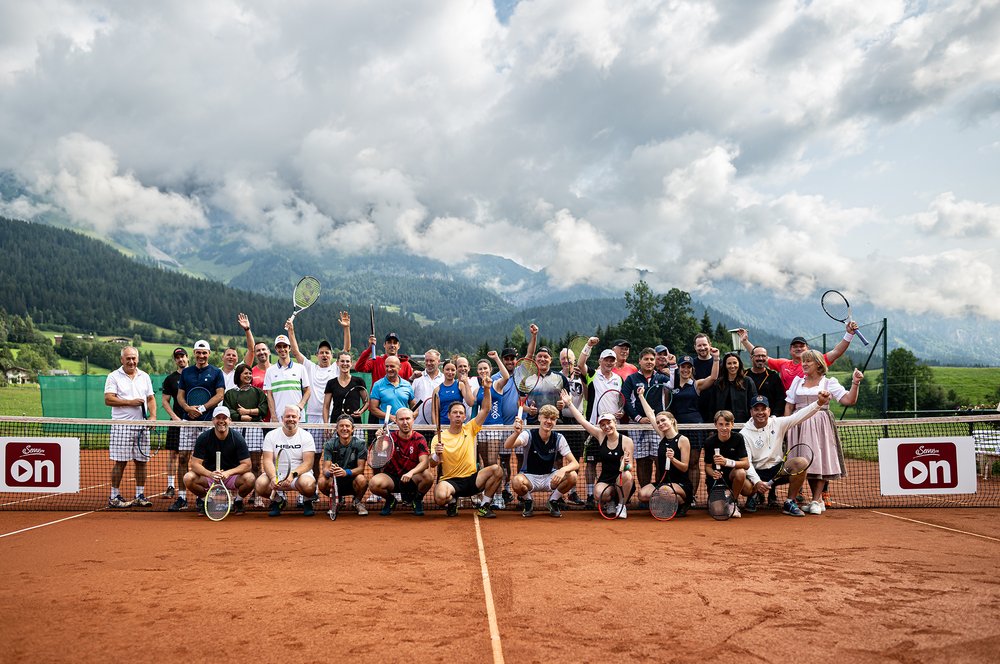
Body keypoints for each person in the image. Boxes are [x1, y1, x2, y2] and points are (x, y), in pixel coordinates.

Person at [785, 350, 863, 514]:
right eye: (803, 361)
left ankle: (815, 500)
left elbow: (849, 400)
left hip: (820, 424)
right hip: (798, 424)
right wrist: (786, 424)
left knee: (818, 461)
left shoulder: (829, 382)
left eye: (808, 361)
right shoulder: (797, 381)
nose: (804, 364)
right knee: (803, 463)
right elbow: (789, 405)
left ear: (819, 364)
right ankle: (818, 501)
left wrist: (855, 382)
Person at [740, 394, 830, 517]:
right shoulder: (744, 434)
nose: (760, 412)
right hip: (757, 470)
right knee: (745, 486)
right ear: (751, 412)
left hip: (777, 471)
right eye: (756, 409)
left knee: (801, 463)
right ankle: (753, 495)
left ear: (769, 411)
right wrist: (757, 481)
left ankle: (789, 502)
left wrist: (819, 403)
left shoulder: (778, 423)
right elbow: (748, 462)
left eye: (763, 409)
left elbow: (800, 416)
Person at [430, 378, 503, 518]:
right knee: (440, 498)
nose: (458, 415)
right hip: (450, 481)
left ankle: (485, 505)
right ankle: (452, 501)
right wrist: (436, 455)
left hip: (472, 479)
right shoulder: (438, 438)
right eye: (455, 412)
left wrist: (487, 389)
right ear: (448, 415)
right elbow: (432, 464)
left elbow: (486, 409)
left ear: (464, 417)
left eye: (461, 413)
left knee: (497, 470)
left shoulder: (470, 429)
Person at [169, 339, 226, 512]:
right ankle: (182, 497)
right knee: (183, 458)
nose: (201, 356)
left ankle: (205, 496)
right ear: (194, 353)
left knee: (207, 461)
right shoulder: (186, 373)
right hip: (188, 421)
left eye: (204, 353)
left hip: (208, 422)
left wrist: (201, 409)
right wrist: (187, 408)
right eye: (198, 353)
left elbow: (220, 395)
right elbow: (180, 395)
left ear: (208, 354)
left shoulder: (216, 372)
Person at [285, 314, 350, 463]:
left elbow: (346, 349)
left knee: (334, 454)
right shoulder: (309, 367)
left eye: (327, 352)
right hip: (313, 417)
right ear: (317, 355)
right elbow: (295, 352)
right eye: (322, 352)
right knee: (313, 455)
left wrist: (346, 328)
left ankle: (333, 484)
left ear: (332, 356)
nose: (324, 355)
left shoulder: (336, 367)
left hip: (332, 418)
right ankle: (313, 484)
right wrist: (291, 331)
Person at [560, 389, 635, 518]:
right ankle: (611, 502)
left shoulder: (627, 441)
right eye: (603, 424)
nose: (606, 427)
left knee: (627, 475)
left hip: (621, 478)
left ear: (615, 423)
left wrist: (626, 465)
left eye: (609, 423)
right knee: (598, 494)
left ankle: (621, 505)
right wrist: (570, 404)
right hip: (606, 479)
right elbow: (583, 421)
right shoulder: (601, 436)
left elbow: (630, 467)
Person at [103, 345, 157, 508]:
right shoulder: (113, 377)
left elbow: (151, 399)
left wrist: (153, 417)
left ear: (137, 359)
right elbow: (108, 399)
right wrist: (130, 402)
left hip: (142, 427)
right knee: (121, 462)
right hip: (122, 427)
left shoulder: (145, 376)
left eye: (134, 358)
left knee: (142, 462)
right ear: (122, 360)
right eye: (128, 358)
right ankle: (114, 497)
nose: (131, 361)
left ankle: (140, 495)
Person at [504, 404, 580, 517]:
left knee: (572, 476)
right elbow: (507, 445)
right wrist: (516, 433)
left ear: (555, 421)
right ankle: (528, 501)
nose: (548, 421)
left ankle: (552, 501)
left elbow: (575, 463)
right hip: (529, 477)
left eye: (552, 419)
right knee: (516, 482)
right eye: (546, 417)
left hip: (550, 477)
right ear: (539, 418)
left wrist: (563, 470)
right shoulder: (528, 435)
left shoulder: (559, 438)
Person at [736, 324, 860, 391]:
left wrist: (849, 334)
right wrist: (745, 341)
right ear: (790, 350)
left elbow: (837, 352)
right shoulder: (783, 364)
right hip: (789, 408)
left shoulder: (818, 361)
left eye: (802, 346)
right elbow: (760, 356)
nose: (799, 348)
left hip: (811, 406)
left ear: (807, 348)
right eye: (795, 346)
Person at [181, 406, 255, 516]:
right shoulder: (203, 438)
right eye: (218, 418)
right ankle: (205, 501)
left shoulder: (237, 438)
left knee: (250, 478)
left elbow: (247, 465)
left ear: (230, 420)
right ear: (213, 420)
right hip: (209, 476)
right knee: (188, 478)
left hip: (230, 477)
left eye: (224, 418)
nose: (221, 421)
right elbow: (195, 464)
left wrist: (228, 473)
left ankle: (238, 501)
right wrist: (210, 474)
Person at [576, 339, 624, 508]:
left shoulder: (619, 379)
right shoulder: (593, 375)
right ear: (600, 361)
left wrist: (622, 411)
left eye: (612, 360)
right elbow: (580, 363)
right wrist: (589, 345)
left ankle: (612, 497)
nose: (609, 362)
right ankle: (590, 495)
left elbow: (620, 401)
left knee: (612, 464)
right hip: (594, 428)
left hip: (612, 429)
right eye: (606, 360)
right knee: (590, 462)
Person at [669, 349, 720, 508]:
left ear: (692, 369)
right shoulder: (672, 385)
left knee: (693, 462)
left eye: (688, 367)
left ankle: (691, 496)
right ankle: (680, 493)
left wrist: (716, 358)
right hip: (677, 428)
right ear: (678, 368)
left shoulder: (696, 384)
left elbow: (713, 377)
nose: (685, 370)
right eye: (682, 367)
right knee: (677, 462)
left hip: (695, 427)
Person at [633, 386, 692, 516]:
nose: (660, 424)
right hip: (664, 482)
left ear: (671, 421)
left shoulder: (683, 440)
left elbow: (684, 468)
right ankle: (668, 502)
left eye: (663, 420)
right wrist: (641, 396)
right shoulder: (662, 437)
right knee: (642, 495)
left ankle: (683, 503)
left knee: (664, 492)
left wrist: (673, 459)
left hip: (680, 484)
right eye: (658, 422)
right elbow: (650, 414)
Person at [368, 407, 433, 516]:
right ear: (396, 421)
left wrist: (411, 473)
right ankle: (391, 500)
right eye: (401, 419)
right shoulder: (389, 438)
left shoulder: (419, 438)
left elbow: (425, 463)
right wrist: (380, 440)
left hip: (412, 478)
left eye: (408, 419)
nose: (405, 422)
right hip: (392, 478)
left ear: (413, 420)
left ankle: (417, 500)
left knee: (428, 477)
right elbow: (378, 458)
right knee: (374, 483)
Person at [255, 405, 319, 516]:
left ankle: (306, 501)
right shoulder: (271, 435)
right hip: (277, 476)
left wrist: (293, 474)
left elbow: (308, 463)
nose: (291, 419)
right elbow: (267, 461)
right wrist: (272, 477)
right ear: (282, 418)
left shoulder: (306, 436)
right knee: (260, 485)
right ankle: (279, 501)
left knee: (308, 485)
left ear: (299, 418)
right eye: (287, 416)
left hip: (299, 476)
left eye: (294, 416)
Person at [744, 345, 788, 508]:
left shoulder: (773, 376)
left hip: (771, 424)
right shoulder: (745, 375)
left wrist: (773, 417)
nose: (760, 359)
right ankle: (755, 494)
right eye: (757, 356)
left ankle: (772, 493)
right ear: (752, 357)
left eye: (763, 356)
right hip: (751, 424)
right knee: (754, 458)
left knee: (773, 459)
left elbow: (780, 399)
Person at [622, 347, 670, 492]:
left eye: (651, 359)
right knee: (642, 461)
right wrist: (638, 418)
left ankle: (659, 491)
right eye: (646, 359)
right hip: (638, 426)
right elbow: (625, 399)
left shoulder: (661, 377)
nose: (649, 362)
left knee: (659, 458)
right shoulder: (632, 379)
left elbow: (675, 384)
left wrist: (672, 367)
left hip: (658, 426)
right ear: (640, 361)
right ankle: (645, 492)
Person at [473, 352, 510, 507]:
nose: (483, 371)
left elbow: (507, 376)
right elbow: (473, 407)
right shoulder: (477, 390)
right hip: (481, 428)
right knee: (485, 464)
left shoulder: (496, 384)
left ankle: (499, 496)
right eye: (480, 369)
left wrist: (496, 358)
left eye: (485, 368)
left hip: (495, 427)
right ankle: (485, 495)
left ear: (490, 370)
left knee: (493, 462)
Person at [318, 415, 371, 516]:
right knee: (321, 481)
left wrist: (346, 472)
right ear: (337, 429)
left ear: (352, 429)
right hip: (336, 481)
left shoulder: (360, 444)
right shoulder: (329, 444)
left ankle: (357, 501)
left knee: (362, 480)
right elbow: (325, 469)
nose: (344, 428)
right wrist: (331, 472)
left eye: (347, 426)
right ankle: (339, 500)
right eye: (341, 426)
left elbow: (361, 468)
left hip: (352, 479)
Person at [222, 363, 268, 478]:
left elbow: (263, 409)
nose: (249, 376)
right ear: (239, 375)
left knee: (256, 464)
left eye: (250, 373)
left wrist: (247, 412)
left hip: (255, 430)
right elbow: (227, 410)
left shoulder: (258, 392)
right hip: (235, 429)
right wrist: (240, 417)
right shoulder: (230, 393)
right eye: (245, 373)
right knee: (235, 463)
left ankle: (256, 494)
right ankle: (235, 493)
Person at [704, 410, 750, 518]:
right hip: (717, 480)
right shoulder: (709, 442)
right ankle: (722, 498)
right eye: (720, 424)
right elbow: (707, 467)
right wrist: (713, 473)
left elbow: (746, 464)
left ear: (732, 424)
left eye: (727, 424)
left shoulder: (738, 438)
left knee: (742, 475)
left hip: (732, 477)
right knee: (718, 511)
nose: (724, 428)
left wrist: (726, 462)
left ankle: (732, 502)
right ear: (715, 425)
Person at [556, 345, 586, 507]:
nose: (567, 361)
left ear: (574, 361)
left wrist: (583, 380)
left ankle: (573, 491)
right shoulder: (557, 377)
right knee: (557, 459)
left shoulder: (581, 377)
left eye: (569, 359)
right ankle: (558, 493)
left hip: (577, 422)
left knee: (575, 458)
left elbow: (588, 396)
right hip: (561, 422)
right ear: (560, 361)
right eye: (563, 359)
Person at [264, 333, 311, 428]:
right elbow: (269, 395)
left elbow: (308, 391)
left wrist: (300, 406)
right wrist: (273, 415)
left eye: (285, 346)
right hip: (279, 419)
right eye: (279, 347)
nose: (282, 349)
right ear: (276, 349)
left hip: (298, 418)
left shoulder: (300, 368)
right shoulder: (270, 371)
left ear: (289, 348)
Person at [159, 346, 188, 499]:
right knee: (173, 455)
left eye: (182, 356)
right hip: (176, 423)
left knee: (195, 456)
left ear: (187, 357)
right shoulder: (170, 379)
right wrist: (175, 418)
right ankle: (170, 486)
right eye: (177, 357)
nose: (180, 359)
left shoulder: (193, 375)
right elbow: (165, 401)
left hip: (194, 423)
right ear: (175, 360)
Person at [711, 352, 758, 423]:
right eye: (729, 363)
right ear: (725, 365)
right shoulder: (719, 383)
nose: (732, 366)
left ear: (739, 364)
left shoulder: (747, 381)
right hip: (722, 424)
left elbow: (753, 404)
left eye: (735, 363)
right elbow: (712, 405)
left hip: (743, 423)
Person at [323, 351, 368, 425]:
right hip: (336, 423)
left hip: (355, 424)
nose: (345, 364)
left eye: (347, 361)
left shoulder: (359, 381)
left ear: (351, 363)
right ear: (337, 363)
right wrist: (326, 425)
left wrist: (361, 411)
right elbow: (326, 406)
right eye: (342, 361)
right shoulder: (331, 383)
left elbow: (366, 402)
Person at [368, 355, 416, 424]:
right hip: (386, 429)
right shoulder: (377, 385)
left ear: (399, 367)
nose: (389, 369)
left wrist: (411, 416)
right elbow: (373, 409)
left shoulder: (407, 385)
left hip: (404, 429)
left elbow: (414, 406)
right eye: (387, 366)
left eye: (392, 366)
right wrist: (390, 417)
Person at [237, 313, 271, 392]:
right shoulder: (250, 373)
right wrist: (247, 329)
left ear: (269, 352)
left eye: (263, 349)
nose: (261, 352)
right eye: (258, 350)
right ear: (255, 354)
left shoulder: (277, 369)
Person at [411, 349, 444, 426]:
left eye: (432, 361)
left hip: (439, 425)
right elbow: (409, 398)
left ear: (438, 362)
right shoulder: (417, 378)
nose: (428, 363)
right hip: (418, 425)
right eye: (426, 360)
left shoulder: (444, 379)